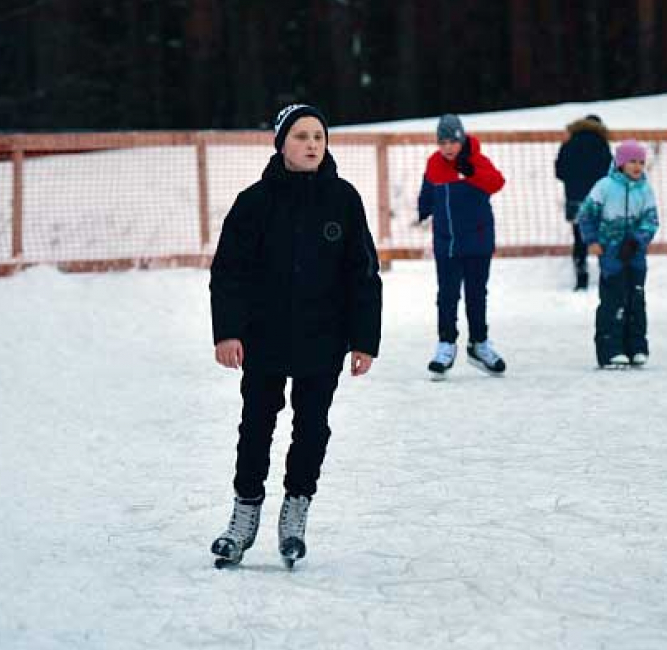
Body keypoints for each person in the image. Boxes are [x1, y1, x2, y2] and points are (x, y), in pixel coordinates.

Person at [208, 103, 382, 567]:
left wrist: (363, 340)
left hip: (322, 341)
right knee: (256, 428)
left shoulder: (343, 199)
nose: (311, 145)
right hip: (263, 339)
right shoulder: (255, 202)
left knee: (311, 429)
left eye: (318, 138)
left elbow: (363, 273)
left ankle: (294, 514)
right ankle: (242, 518)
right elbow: (229, 273)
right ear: (281, 143)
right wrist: (228, 332)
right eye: (301, 136)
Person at [417, 113, 507, 379]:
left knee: (476, 295)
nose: (447, 147)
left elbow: (497, 183)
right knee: (447, 294)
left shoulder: (477, 160)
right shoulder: (434, 163)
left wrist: (472, 172)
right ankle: (446, 343)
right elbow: (428, 190)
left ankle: (479, 344)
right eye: (442, 142)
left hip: (478, 241)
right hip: (447, 243)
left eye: (452, 141)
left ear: (462, 139)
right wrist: (423, 210)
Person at [576, 139, 659, 368]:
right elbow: (586, 215)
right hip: (611, 254)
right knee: (613, 301)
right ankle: (610, 350)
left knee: (636, 299)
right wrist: (592, 240)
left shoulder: (645, 189)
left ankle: (637, 348)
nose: (637, 166)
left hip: (635, 255)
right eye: (632, 161)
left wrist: (637, 241)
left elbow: (651, 220)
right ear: (621, 163)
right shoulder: (604, 186)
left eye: (641, 162)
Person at [554, 114, 612, 290]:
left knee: (579, 239)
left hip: (575, 198)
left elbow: (560, 172)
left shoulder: (568, 142)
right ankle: (607, 277)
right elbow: (609, 171)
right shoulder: (602, 144)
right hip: (598, 198)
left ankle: (581, 277)